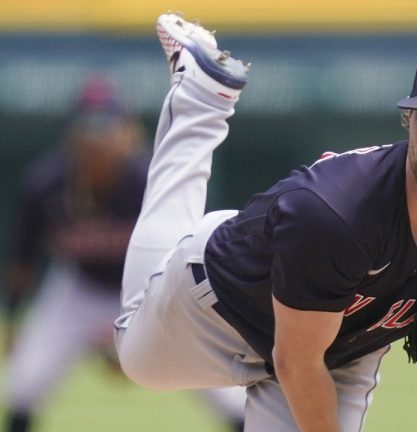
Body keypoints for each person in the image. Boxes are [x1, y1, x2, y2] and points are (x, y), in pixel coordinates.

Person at [115, 13, 417, 432]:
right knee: (134, 357)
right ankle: (200, 100)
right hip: (224, 306)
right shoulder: (337, 214)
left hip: (340, 349)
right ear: (409, 117)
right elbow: (295, 361)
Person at [1, 76, 246, 432]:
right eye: (86, 125)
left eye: (106, 125)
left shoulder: (150, 181)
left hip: (156, 286)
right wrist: (14, 318)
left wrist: (129, 337)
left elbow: (188, 255)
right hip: (80, 287)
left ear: (129, 131)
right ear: (69, 134)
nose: (95, 136)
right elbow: (22, 258)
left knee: (226, 391)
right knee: (26, 380)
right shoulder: (46, 184)